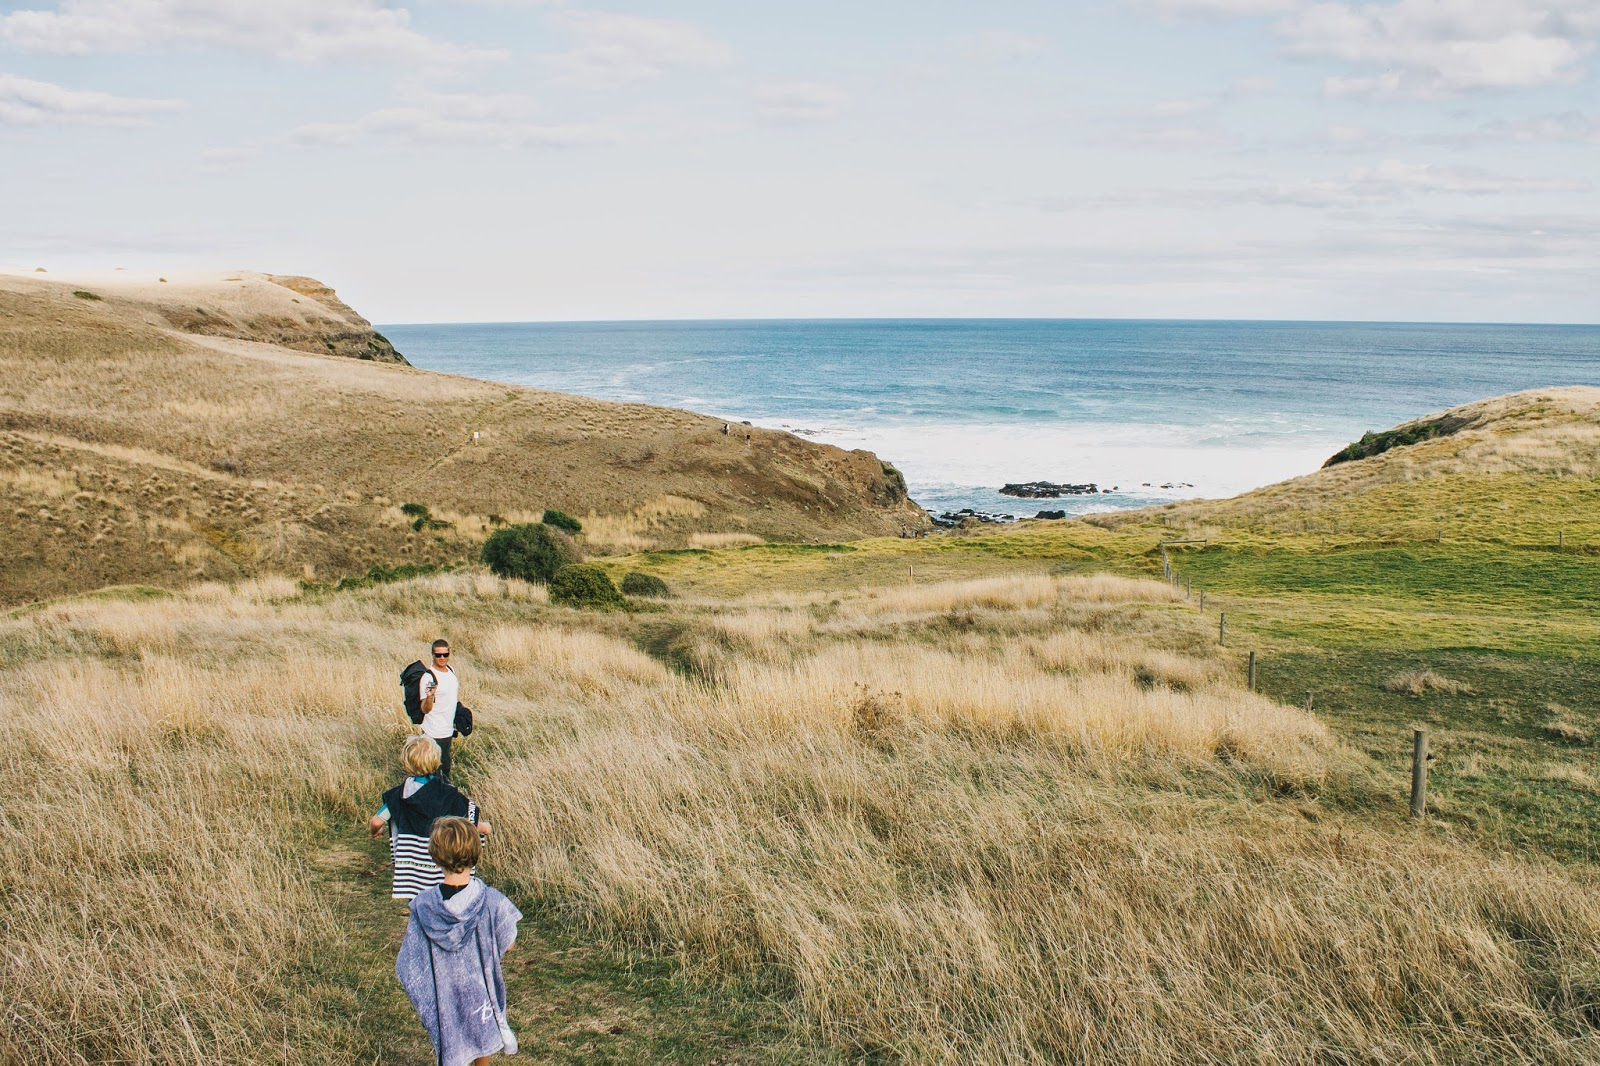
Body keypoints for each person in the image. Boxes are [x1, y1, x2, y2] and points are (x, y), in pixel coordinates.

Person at [397, 817, 522, 1066]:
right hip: (478, 989)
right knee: (480, 1040)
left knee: (453, 1048)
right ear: (476, 852)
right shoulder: (490, 901)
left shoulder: (424, 906)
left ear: (436, 856)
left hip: (446, 995)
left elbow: (408, 963)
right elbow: (508, 941)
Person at [370, 735, 491, 900]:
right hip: (440, 867)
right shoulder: (449, 795)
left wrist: (376, 831)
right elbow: (469, 822)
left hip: (412, 871)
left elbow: (376, 821)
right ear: (437, 761)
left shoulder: (399, 795)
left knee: (420, 909)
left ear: (406, 763)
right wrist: (485, 828)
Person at [419, 638, 461, 781]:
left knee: (445, 768)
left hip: (447, 730)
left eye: (445, 654)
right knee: (432, 771)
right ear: (432, 654)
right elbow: (425, 709)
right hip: (433, 732)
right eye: (438, 655)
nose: (442, 658)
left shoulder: (451, 671)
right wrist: (430, 697)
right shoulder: (429, 677)